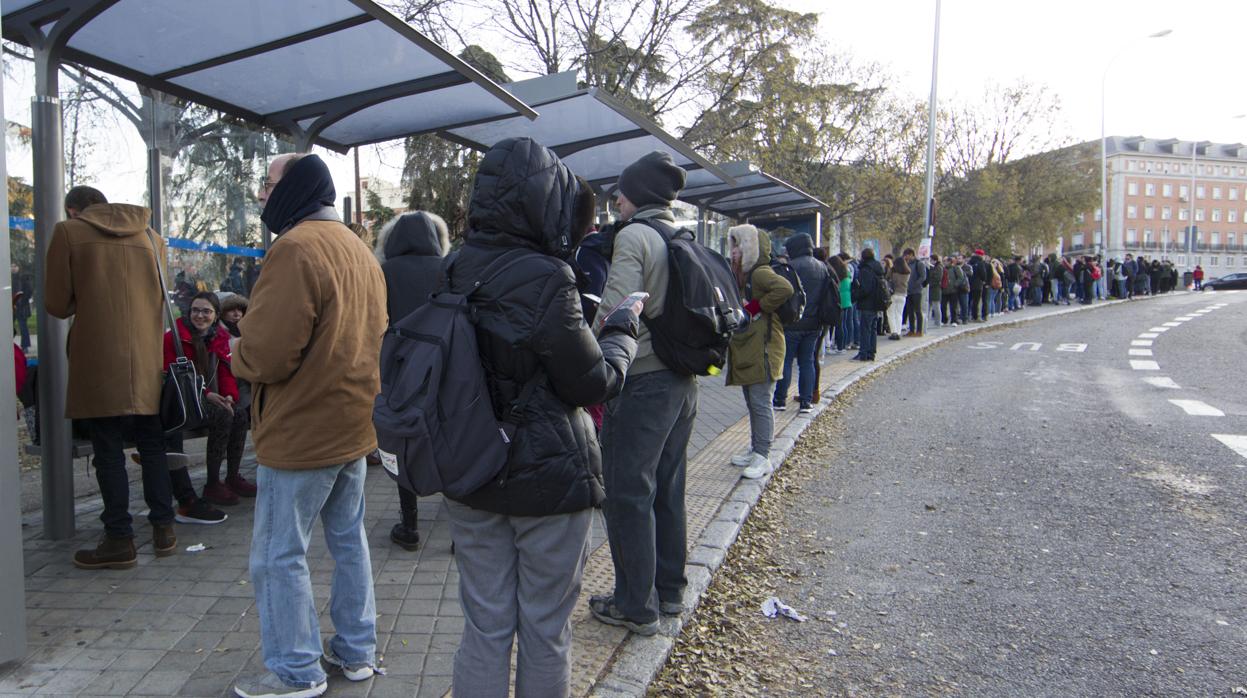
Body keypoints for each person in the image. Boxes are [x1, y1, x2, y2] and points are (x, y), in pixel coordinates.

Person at [441, 138, 640, 698]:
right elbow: (591, 382)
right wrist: (621, 332)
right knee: (544, 629)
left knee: (484, 625)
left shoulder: (452, 267)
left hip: (471, 470)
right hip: (549, 479)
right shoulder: (550, 277)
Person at [231, 154, 387, 698]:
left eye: (269, 183)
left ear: (294, 187)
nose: (262, 194)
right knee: (349, 542)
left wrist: (236, 353)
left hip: (301, 428)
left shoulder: (294, 249)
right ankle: (357, 651)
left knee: (279, 553)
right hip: (352, 423)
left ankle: (296, 672)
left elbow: (270, 355)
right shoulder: (356, 247)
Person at [592, 150, 697, 637]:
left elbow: (617, 312)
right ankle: (670, 590)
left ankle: (635, 605)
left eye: (620, 192)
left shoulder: (635, 235)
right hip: (684, 380)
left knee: (628, 492)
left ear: (632, 195)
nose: (616, 201)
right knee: (667, 485)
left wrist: (589, 356)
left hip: (645, 379)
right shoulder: (680, 235)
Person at [45, 185, 176, 569]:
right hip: (145, 358)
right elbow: (159, 296)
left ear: (74, 210)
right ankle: (164, 528)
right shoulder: (151, 236)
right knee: (152, 444)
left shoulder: (68, 232)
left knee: (108, 450)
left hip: (98, 357)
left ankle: (119, 539)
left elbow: (55, 303)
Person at [373, 210, 451, 551]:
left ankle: (410, 526)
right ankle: (458, 533)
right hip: (446, 365)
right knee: (451, 440)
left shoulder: (383, 272)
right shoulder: (450, 269)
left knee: (404, 440)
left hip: (399, 367)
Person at [162, 291, 252, 510]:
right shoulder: (174, 336)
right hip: (182, 402)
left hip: (207, 397)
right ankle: (213, 482)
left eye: (206, 311)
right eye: (195, 310)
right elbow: (171, 374)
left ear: (215, 315)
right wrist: (207, 394)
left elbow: (225, 372)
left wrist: (230, 396)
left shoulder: (218, 338)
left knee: (237, 413)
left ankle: (232, 476)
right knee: (222, 415)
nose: (200, 316)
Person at [726, 224, 793, 480]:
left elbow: (785, 289)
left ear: (750, 248)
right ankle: (756, 449)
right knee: (753, 402)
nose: (733, 252)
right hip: (753, 349)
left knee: (760, 402)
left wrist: (755, 306)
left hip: (765, 350)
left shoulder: (760, 273)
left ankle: (763, 456)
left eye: (738, 246)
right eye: (733, 246)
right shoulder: (746, 275)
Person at [772, 232, 827, 414]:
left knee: (785, 361)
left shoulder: (790, 268)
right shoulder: (822, 267)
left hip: (792, 322)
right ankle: (806, 401)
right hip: (814, 324)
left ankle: (780, 399)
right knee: (807, 362)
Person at [850, 248, 886, 361]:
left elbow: (865, 288)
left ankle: (863, 353)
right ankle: (871, 352)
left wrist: (855, 294)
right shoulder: (878, 268)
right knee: (873, 329)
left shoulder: (866, 269)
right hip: (877, 302)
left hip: (867, 303)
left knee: (865, 329)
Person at [829, 255, 852, 352]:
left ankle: (839, 346)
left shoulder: (836, 275)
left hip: (839, 300)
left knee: (838, 325)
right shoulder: (846, 273)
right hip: (847, 300)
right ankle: (844, 344)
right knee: (843, 324)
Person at [903, 248, 927, 336]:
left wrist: (915, 284)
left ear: (911, 255)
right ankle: (912, 330)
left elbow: (923, 276)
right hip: (908, 291)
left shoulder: (919, 264)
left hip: (916, 291)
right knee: (910, 311)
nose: (905, 257)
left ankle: (919, 330)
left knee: (918, 311)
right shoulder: (907, 264)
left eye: (907, 255)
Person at [886, 253, 909, 339]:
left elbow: (887, 278)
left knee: (891, 313)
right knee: (899, 314)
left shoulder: (892, 271)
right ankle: (899, 332)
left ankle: (894, 332)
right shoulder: (907, 272)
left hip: (893, 293)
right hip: (903, 294)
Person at [11, 263, 32, 351]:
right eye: (11, 266)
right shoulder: (9, 278)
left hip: (21, 307)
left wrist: (22, 302)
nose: (13, 268)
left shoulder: (23, 277)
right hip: (12, 306)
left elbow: (29, 290)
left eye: (15, 266)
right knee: (7, 326)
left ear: (18, 267)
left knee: (23, 326)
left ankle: (25, 346)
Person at [928, 255, 943, 329]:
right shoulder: (932, 267)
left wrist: (930, 284)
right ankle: (927, 322)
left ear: (935, 260)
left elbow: (937, 279)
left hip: (936, 289)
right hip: (931, 290)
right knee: (929, 307)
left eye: (931, 260)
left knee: (936, 306)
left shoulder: (939, 268)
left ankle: (938, 322)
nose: (930, 261)